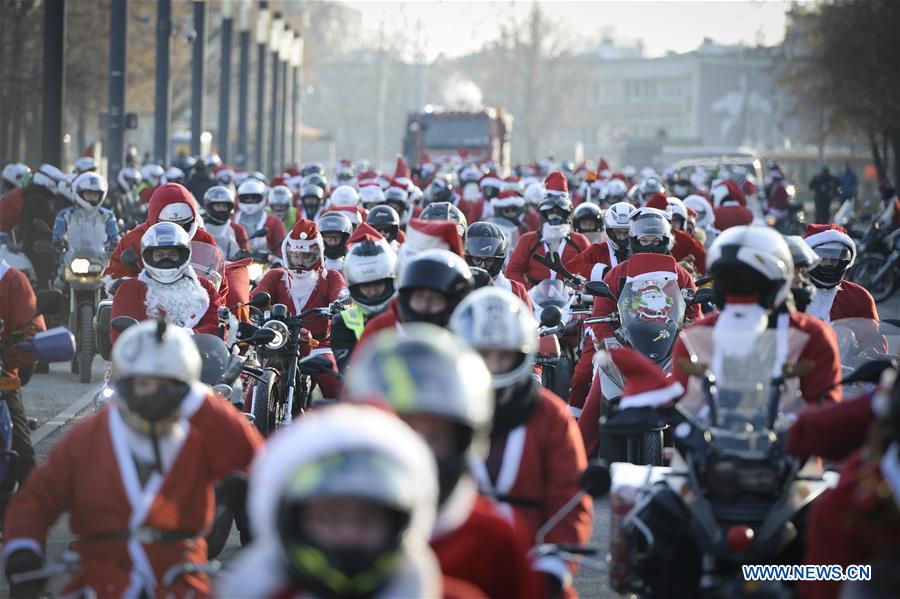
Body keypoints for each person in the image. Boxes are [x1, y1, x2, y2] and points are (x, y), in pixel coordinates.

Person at [3, 319, 262, 598]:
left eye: (166, 384)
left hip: (181, 579)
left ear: (183, 389)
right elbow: (37, 498)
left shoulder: (200, 435)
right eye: (141, 382)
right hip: (99, 581)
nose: (151, 392)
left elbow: (256, 462)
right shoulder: (90, 436)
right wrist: (23, 550)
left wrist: (200, 400)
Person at [344, 325, 539, 599]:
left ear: (463, 439)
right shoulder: (325, 521)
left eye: (433, 437)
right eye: (402, 430)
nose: (415, 452)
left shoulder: (493, 536)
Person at [449, 288, 593, 598]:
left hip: (533, 561)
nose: (494, 365)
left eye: (505, 354)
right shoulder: (440, 411)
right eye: (483, 354)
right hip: (453, 561)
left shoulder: (551, 414)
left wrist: (552, 570)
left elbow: (570, 498)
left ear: (523, 352)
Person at [216, 404, 444, 599]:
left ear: (399, 521)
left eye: (366, 520)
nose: (348, 534)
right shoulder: (249, 591)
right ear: (291, 517)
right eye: (329, 518)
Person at [671, 225, 841, 407]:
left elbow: (825, 411)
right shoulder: (695, 337)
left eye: (756, 284)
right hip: (710, 434)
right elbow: (680, 407)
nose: (743, 294)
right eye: (732, 283)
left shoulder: (811, 335)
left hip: (788, 434)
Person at [572, 209, 702, 443]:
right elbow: (600, 313)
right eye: (644, 240)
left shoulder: (682, 275)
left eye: (656, 241)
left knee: (699, 400)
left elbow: (696, 314)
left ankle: (700, 457)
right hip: (625, 349)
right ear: (633, 241)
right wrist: (610, 343)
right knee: (593, 402)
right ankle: (580, 459)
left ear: (665, 242)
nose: (650, 246)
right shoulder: (617, 273)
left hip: (669, 350)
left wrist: (691, 337)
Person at [249, 218, 345, 398]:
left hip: (318, 345)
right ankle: (251, 421)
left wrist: (339, 305)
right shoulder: (276, 276)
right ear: (287, 254)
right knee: (256, 385)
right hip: (280, 344)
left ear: (318, 255)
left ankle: (342, 420)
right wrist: (248, 305)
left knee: (334, 383)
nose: (299, 261)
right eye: (295, 255)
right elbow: (255, 296)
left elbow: (340, 295)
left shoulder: (330, 276)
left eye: (307, 256)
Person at [110, 223, 223, 344]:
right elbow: (121, 337)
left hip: (196, 357)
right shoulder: (131, 289)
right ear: (147, 255)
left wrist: (188, 336)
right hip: (144, 359)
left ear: (185, 254)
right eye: (159, 255)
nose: (166, 260)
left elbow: (215, 327)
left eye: (173, 255)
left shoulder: (204, 288)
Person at [103, 182, 219, 284]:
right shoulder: (133, 240)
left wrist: (213, 293)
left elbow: (218, 281)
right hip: (145, 304)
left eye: (183, 224)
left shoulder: (204, 239)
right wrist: (125, 285)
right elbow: (114, 276)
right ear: (154, 219)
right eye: (168, 224)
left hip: (195, 305)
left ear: (193, 219)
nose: (176, 231)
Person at [358, 249, 474, 343]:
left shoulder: (469, 334)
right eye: (419, 297)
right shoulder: (380, 328)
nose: (425, 304)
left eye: (435, 299)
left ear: (454, 302)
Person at [0, 262, 45, 500]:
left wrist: (8, 357)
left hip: (1, 379)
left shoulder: (13, 280)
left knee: (23, 454)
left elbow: (33, 330)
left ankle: (31, 533)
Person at [505, 172, 591, 289]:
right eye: (551, 212)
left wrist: (580, 289)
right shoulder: (528, 240)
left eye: (559, 212)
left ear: (567, 214)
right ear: (543, 214)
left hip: (572, 300)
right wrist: (528, 292)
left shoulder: (579, 241)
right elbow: (512, 272)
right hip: (535, 301)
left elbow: (591, 270)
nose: (555, 217)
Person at [331, 224, 398, 372]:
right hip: (365, 390)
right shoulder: (343, 322)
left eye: (378, 284)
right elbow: (347, 370)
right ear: (354, 286)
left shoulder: (406, 312)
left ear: (390, 281)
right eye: (366, 286)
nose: (373, 291)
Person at [803, 224, 879, 324]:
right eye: (823, 258)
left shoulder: (859, 296)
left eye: (835, 258)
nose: (829, 264)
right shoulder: (791, 294)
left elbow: (873, 337)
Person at [52, 172, 120, 271]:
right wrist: (58, 243)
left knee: (115, 283)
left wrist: (116, 241)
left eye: (95, 194)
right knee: (59, 281)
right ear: (79, 193)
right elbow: (57, 237)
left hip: (101, 262)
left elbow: (114, 235)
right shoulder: (65, 215)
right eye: (88, 193)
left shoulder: (107, 215)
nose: (92, 197)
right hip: (71, 262)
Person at [464, 222, 532, 307]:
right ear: (468, 258)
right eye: (477, 259)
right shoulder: (458, 287)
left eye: (489, 260)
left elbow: (528, 319)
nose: (482, 266)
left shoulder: (517, 289)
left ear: (497, 260)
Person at [18, 164, 66, 287]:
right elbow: (52, 220)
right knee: (44, 278)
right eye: (56, 181)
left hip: (43, 244)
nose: (58, 185)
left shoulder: (40, 196)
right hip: (37, 247)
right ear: (47, 180)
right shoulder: (37, 199)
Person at [566, 201, 634, 281]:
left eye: (626, 232)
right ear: (609, 230)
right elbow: (570, 267)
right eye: (617, 232)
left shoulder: (641, 250)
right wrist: (599, 272)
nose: (622, 237)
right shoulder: (597, 250)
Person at [234, 178, 287, 256]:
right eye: (246, 197)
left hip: (266, 266)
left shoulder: (275, 222)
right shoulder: (232, 220)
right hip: (233, 263)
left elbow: (282, 248)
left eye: (254, 197)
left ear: (262, 198)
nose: (249, 200)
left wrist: (276, 261)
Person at [202, 185, 249, 260]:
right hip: (205, 269)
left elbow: (246, 253)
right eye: (218, 206)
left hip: (233, 269)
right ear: (209, 206)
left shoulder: (238, 229)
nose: (221, 209)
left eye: (224, 206)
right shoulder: (200, 228)